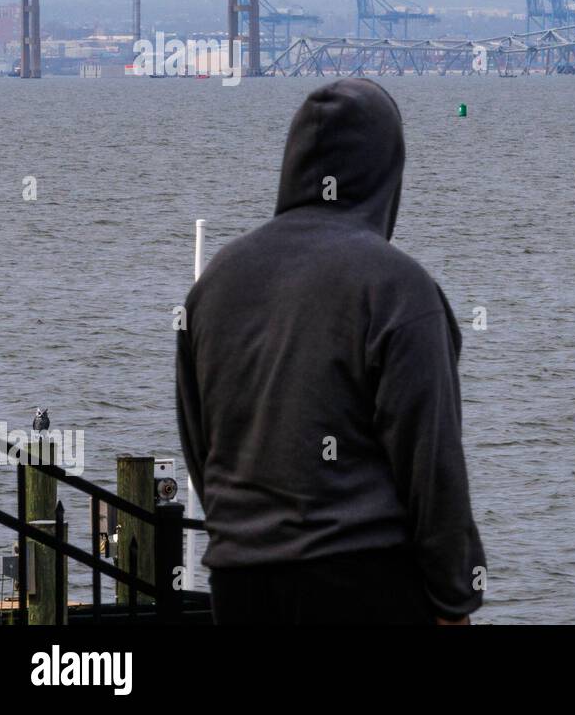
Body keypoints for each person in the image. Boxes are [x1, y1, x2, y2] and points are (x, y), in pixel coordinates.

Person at [175, 77, 485, 624]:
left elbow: (201, 447)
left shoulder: (213, 286)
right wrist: (455, 599)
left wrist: (248, 537)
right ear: (387, 174)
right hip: (367, 581)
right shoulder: (398, 289)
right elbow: (431, 466)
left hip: (240, 583)